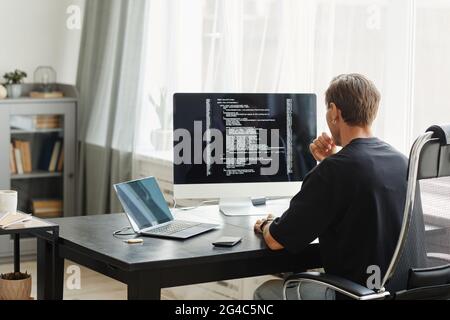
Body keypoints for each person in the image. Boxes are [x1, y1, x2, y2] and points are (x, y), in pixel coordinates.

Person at [253, 73, 422, 300]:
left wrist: (266, 224)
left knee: (267, 292)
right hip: (402, 293)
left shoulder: (334, 171)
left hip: (356, 295)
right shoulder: (404, 162)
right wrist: (332, 159)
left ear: (334, 112)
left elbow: (275, 240)